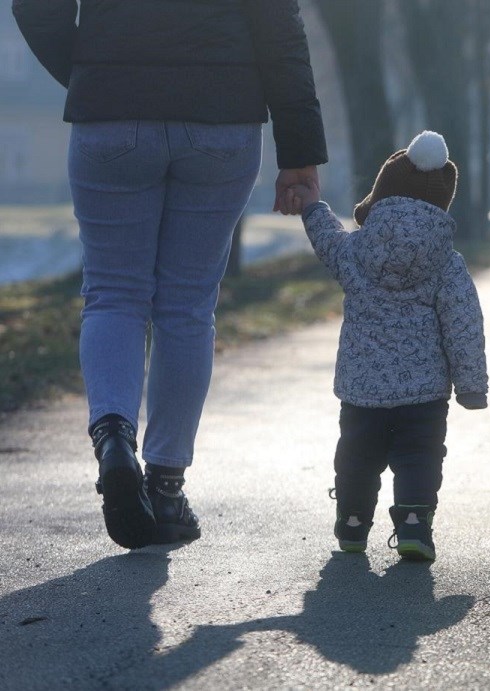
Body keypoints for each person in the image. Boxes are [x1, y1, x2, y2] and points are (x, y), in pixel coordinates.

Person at [12, 0, 327, 549]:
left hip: (111, 114)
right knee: (186, 307)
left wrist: (94, 74)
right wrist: (300, 149)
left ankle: (113, 437)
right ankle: (165, 486)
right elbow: (280, 28)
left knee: (113, 293)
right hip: (221, 121)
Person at [292, 131, 487, 561]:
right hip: (425, 393)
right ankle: (415, 523)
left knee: (357, 455)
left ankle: (353, 521)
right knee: (420, 456)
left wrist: (311, 205)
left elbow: (327, 238)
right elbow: (463, 322)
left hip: (362, 389)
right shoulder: (446, 262)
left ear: (381, 194)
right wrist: (471, 385)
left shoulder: (356, 249)